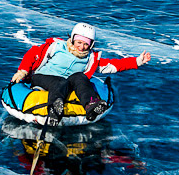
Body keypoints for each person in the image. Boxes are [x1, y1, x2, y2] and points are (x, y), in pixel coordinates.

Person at [10, 22, 151, 125]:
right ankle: (54, 109)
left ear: (91, 45)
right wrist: (22, 71)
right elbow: (33, 53)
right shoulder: (56, 47)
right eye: (79, 42)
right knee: (60, 82)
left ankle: (91, 107)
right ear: (72, 38)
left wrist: (138, 61)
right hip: (43, 78)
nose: (82, 47)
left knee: (80, 77)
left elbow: (113, 65)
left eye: (86, 44)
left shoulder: (90, 58)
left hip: (67, 83)